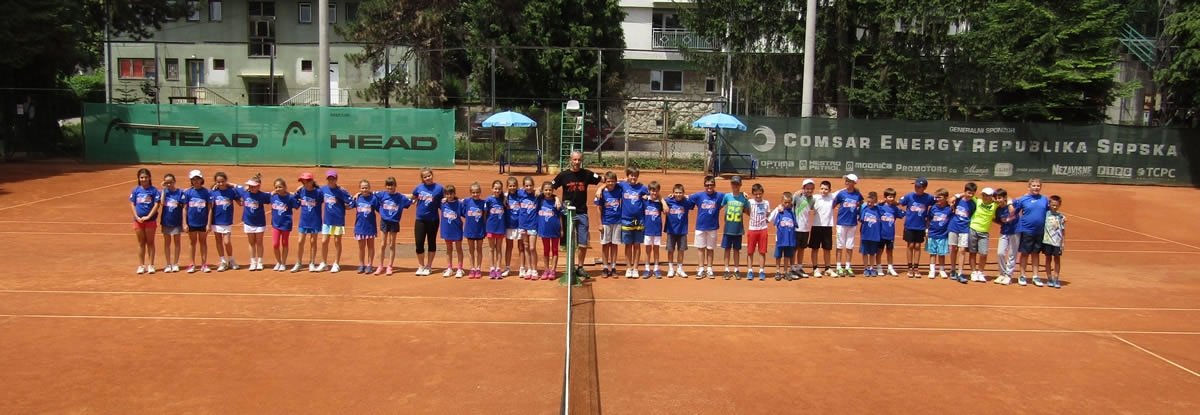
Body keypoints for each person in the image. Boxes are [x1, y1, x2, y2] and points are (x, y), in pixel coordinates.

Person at [552, 151, 602, 278]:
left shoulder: (587, 174)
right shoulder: (563, 175)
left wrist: (601, 188)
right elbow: (549, 187)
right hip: (566, 213)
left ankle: (580, 267)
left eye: (579, 160)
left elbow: (604, 179)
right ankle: (570, 267)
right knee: (568, 242)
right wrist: (556, 198)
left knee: (583, 242)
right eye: (574, 160)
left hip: (582, 212)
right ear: (570, 160)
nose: (577, 162)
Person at [1013, 178, 1050, 287]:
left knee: (1036, 254)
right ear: (1029, 187)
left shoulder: (1045, 199)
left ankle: (1035, 276)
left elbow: (1050, 212)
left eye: (1038, 186)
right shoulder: (1024, 199)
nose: (1036, 188)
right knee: (1025, 253)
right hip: (1026, 230)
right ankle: (1022, 275)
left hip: (1039, 231)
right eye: (1033, 186)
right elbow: (1013, 209)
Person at [375, 177, 413, 276]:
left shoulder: (400, 197)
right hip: (384, 221)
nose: (389, 187)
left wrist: (417, 198)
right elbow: (370, 193)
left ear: (395, 186)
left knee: (392, 244)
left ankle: (390, 266)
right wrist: (358, 194)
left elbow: (412, 200)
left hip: (394, 222)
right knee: (383, 244)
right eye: (388, 185)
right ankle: (380, 265)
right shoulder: (382, 194)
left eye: (391, 185)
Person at [688, 176, 725, 279]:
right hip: (700, 226)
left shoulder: (719, 195)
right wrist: (673, 195)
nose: (709, 187)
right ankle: (701, 269)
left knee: (710, 248)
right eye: (707, 185)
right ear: (704, 186)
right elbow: (687, 197)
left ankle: (709, 269)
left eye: (711, 185)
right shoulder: (699, 195)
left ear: (714, 185)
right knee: (701, 248)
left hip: (712, 226)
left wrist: (743, 194)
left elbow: (730, 197)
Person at [317, 170, 352, 273]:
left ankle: (336, 263)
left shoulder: (341, 191)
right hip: (327, 220)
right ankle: (324, 263)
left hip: (338, 220)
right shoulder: (323, 189)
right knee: (324, 241)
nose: (331, 180)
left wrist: (346, 207)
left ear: (336, 179)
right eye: (329, 178)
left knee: (337, 241)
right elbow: (313, 192)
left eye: (333, 178)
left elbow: (351, 201)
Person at [412, 167, 445, 276]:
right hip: (420, 219)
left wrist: (445, 200)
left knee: (431, 242)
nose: (428, 178)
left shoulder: (439, 188)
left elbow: (447, 199)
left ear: (432, 175)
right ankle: (421, 265)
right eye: (425, 177)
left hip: (433, 220)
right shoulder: (419, 188)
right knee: (419, 243)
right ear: (422, 178)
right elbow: (413, 198)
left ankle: (429, 266)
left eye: (429, 176)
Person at [899, 178, 935, 278]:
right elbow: (898, 203)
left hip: (920, 226)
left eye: (919, 187)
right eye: (915, 186)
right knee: (910, 246)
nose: (916, 188)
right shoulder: (909, 196)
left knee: (918, 246)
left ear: (924, 188)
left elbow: (939, 201)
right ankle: (909, 267)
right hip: (909, 225)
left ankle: (916, 267)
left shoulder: (929, 198)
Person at [618, 167, 649, 279]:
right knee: (628, 245)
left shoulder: (642, 187)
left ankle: (635, 268)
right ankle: (628, 268)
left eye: (635, 176)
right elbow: (608, 181)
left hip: (639, 219)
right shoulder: (623, 185)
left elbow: (654, 194)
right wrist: (599, 189)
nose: (633, 178)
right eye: (631, 175)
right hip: (626, 219)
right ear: (627, 176)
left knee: (636, 245)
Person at [130, 168, 160, 274]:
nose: (144, 179)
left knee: (150, 242)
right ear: (139, 178)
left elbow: (157, 205)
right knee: (141, 243)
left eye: (146, 177)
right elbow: (132, 204)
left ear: (150, 178)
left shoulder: (154, 190)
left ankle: (151, 265)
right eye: (142, 177)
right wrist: (137, 217)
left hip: (150, 220)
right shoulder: (135, 190)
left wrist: (148, 216)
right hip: (138, 221)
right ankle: (141, 265)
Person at [210, 171, 242, 271]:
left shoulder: (231, 191)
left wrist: (236, 188)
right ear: (215, 182)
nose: (221, 183)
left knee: (227, 242)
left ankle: (231, 260)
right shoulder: (212, 192)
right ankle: (223, 261)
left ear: (226, 181)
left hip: (227, 220)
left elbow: (240, 203)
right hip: (215, 220)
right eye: (218, 182)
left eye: (223, 181)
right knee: (218, 241)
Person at [239, 175, 272, 271]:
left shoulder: (262, 195)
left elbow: (274, 194)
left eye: (253, 186)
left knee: (259, 242)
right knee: (251, 243)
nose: (251, 188)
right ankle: (253, 262)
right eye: (250, 186)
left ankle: (260, 262)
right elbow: (234, 186)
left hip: (260, 223)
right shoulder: (244, 192)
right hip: (248, 222)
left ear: (259, 186)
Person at [832, 174, 863, 277]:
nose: (846, 182)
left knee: (850, 246)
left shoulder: (858, 194)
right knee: (840, 245)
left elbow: (861, 203)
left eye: (849, 181)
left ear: (854, 183)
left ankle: (848, 266)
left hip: (852, 223)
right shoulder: (841, 194)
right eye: (846, 180)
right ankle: (838, 267)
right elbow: (833, 205)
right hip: (841, 223)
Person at [182, 170, 212, 273]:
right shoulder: (188, 192)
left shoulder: (206, 192)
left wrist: (208, 223)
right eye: (193, 179)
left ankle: (204, 264)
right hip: (191, 222)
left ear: (201, 179)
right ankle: (192, 264)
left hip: (203, 222)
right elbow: (184, 208)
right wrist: (184, 223)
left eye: (198, 179)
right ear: (191, 180)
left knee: (203, 242)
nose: (196, 181)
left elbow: (210, 208)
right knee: (192, 242)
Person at [947, 182, 978, 283]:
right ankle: (952, 270)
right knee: (953, 249)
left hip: (964, 229)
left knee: (962, 250)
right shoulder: (958, 200)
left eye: (972, 193)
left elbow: (971, 214)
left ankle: (960, 272)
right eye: (969, 193)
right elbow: (950, 202)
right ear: (965, 191)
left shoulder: (973, 204)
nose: (970, 195)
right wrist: (958, 195)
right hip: (953, 227)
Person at [594, 172, 622, 278]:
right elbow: (598, 208)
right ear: (605, 182)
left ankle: (613, 267)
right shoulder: (601, 193)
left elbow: (624, 182)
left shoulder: (619, 189)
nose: (611, 183)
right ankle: (605, 267)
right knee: (605, 245)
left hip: (617, 221)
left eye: (613, 181)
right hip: (606, 222)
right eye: (608, 181)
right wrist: (599, 223)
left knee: (614, 245)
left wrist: (601, 187)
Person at [293, 172, 323, 273]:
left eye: (305, 181)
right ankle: (298, 263)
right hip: (303, 220)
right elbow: (294, 199)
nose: (303, 183)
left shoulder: (318, 192)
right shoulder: (301, 191)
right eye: (302, 182)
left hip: (315, 220)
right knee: (300, 241)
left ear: (311, 181)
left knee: (313, 242)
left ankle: (312, 263)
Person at [967, 187, 998, 283]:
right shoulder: (978, 201)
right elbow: (967, 194)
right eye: (983, 195)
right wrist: (956, 196)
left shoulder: (995, 205)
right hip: (973, 229)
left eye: (987, 195)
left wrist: (1008, 202)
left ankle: (980, 272)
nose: (985, 197)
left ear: (992, 196)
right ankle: (973, 272)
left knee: (983, 253)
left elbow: (1008, 198)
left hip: (984, 232)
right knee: (972, 252)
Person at [720, 175, 748, 280]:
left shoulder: (743, 198)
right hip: (728, 228)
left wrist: (747, 200)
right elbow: (720, 206)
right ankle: (726, 269)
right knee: (727, 249)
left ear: (740, 185)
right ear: (731, 184)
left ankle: (736, 269)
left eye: (737, 184)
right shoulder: (727, 196)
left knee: (736, 250)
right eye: (733, 183)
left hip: (738, 229)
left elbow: (747, 211)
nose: (735, 185)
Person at [664, 184, 694, 278]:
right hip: (671, 230)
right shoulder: (669, 200)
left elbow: (693, 201)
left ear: (683, 193)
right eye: (676, 193)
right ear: (673, 193)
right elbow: (661, 200)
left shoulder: (686, 202)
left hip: (682, 230)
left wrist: (686, 196)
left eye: (680, 193)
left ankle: (680, 269)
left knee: (681, 250)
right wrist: (666, 200)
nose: (678, 194)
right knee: (670, 250)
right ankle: (671, 268)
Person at [269, 177, 300, 272]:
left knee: (285, 243)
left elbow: (297, 206)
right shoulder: (272, 196)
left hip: (286, 224)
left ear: (285, 187)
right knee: (275, 244)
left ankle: (283, 262)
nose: (278, 189)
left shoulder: (290, 197)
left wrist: (294, 195)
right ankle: (278, 262)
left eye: (280, 187)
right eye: (276, 187)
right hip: (275, 224)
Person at [536, 181, 563, 280]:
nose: (548, 192)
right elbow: (535, 191)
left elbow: (560, 216)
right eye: (546, 190)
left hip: (555, 229)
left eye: (550, 190)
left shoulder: (556, 202)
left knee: (555, 250)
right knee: (546, 250)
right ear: (543, 190)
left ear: (553, 190)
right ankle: (546, 270)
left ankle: (553, 270)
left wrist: (562, 229)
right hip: (544, 230)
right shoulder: (540, 200)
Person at [353, 179, 380, 274]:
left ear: (369, 188)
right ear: (360, 189)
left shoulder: (373, 199)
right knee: (361, 247)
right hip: (359, 227)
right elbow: (348, 205)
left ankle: (370, 265)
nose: (364, 190)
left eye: (366, 188)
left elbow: (379, 209)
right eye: (363, 188)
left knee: (371, 246)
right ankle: (361, 264)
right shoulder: (357, 199)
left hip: (370, 227)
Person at [789, 179, 816, 278]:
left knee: (802, 249)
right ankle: (792, 268)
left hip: (805, 228)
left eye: (811, 189)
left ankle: (799, 267)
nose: (809, 190)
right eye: (807, 188)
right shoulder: (797, 196)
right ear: (803, 188)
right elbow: (788, 203)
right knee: (794, 249)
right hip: (796, 228)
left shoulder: (813, 199)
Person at [809, 180, 836, 277]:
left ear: (830, 190)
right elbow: (802, 197)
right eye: (822, 189)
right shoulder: (814, 198)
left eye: (826, 189)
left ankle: (827, 268)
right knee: (815, 248)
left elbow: (845, 190)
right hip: (816, 226)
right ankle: (815, 268)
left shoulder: (832, 197)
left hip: (828, 227)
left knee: (827, 249)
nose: (823, 191)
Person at [769, 192, 797, 281]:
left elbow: (795, 224)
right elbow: (770, 219)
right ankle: (777, 271)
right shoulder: (779, 211)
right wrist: (778, 209)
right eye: (785, 202)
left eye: (789, 202)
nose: (787, 204)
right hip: (780, 239)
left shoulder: (792, 212)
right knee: (778, 255)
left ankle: (785, 271)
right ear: (782, 202)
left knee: (787, 256)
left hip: (789, 239)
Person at [993, 189, 1019, 285]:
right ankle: (1002, 273)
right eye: (996, 198)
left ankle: (1008, 275)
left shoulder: (1013, 204)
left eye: (1000, 198)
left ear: (1004, 198)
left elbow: (1014, 199)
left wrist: (1010, 204)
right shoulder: (998, 210)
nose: (998, 200)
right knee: (1000, 253)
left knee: (1012, 254)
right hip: (1004, 232)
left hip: (1015, 232)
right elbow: (998, 220)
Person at [745, 183, 771, 280]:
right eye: (756, 194)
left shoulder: (766, 203)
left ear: (762, 193)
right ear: (753, 194)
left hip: (763, 229)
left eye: (760, 194)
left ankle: (761, 271)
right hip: (752, 229)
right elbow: (747, 212)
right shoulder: (750, 202)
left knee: (762, 251)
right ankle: (750, 270)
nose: (758, 196)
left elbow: (768, 213)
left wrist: (765, 220)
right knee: (750, 251)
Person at [160, 173, 184, 273]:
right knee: (167, 243)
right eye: (167, 183)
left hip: (177, 221)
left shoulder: (180, 192)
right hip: (166, 221)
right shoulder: (164, 192)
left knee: (177, 242)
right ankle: (168, 264)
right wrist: (163, 190)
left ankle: (175, 263)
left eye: (170, 182)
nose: (169, 184)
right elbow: (162, 203)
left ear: (174, 181)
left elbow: (182, 205)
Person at [463, 182, 488, 279]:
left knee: (479, 249)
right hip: (469, 229)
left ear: (480, 192)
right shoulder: (467, 201)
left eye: (477, 192)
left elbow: (485, 216)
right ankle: (472, 268)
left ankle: (478, 268)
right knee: (471, 250)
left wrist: (485, 227)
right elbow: (456, 201)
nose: (475, 194)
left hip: (480, 229)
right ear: (470, 192)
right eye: (473, 192)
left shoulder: (483, 203)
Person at [926, 189, 952, 279]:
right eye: (936, 197)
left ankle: (942, 270)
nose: (937, 199)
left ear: (945, 198)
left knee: (941, 254)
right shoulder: (933, 208)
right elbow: (929, 219)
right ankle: (932, 270)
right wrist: (927, 230)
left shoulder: (949, 208)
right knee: (932, 253)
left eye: (939, 197)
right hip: (932, 233)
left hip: (943, 235)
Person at [440, 185, 465, 278]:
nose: (449, 196)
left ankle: (459, 268)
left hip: (457, 229)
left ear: (454, 194)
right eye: (447, 194)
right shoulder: (442, 203)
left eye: (451, 194)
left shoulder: (459, 203)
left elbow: (465, 213)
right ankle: (449, 268)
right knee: (449, 249)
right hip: (447, 230)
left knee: (459, 248)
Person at [484, 180, 508, 279]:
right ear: (492, 189)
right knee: (491, 249)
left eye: (499, 189)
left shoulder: (504, 200)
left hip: (500, 227)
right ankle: (492, 268)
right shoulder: (488, 200)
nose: (497, 190)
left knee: (499, 248)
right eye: (495, 188)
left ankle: (498, 268)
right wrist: (486, 225)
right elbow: (485, 215)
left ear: (501, 189)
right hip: (491, 227)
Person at [642, 181, 665, 279]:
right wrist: (645, 196)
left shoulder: (660, 202)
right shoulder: (645, 201)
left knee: (656, 249)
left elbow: (666, 210)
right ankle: (647, 268)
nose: (654, 193)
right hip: (647, 229)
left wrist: (663, 201)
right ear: (649, 191)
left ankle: (656, 268)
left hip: (657, 229)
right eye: (652, 191)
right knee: (647, 250)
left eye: (656, 191)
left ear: (658, 191)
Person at [1041, 195, 1066, 289]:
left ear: (1059, 205)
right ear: (1049, 205)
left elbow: (1063, 230)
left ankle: (1056, 278)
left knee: (1057, 260)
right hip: (1047, 241)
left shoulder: (1061, 217)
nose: (1054, 207)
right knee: (1048, 259)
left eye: (1056, 205)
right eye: (1053, 205)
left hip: (1057, 242)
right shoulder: (1046, 214)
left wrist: (1063, 242)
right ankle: (1049, 278)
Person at [518, 176, 540, 278]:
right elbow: (508, 193)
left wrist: (557, 199)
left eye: (530, 185)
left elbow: (550, 193)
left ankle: (534, 269)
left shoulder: (537, 195)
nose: (528, 187)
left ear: (533, 185)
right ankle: (529, 269)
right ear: (523, 186)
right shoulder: (520, 194)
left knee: (532, 247)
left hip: (533, 225)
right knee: (526, 247)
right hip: (522, 225)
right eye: (526, 185)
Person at [858, 192, 881, 277]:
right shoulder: (865, 209)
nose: (870, 204)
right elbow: (861, 220)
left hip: (875, 235)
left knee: (872, 253)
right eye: (868, 202)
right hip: (865, 234)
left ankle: (871, 267)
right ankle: (865, 268)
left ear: (875, 202)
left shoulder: (878, 209)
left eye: (872, 202)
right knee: (865, 252)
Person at [503, 177, 523, 277]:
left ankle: (522, 268)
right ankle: (507, 268)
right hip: (509, 225)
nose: (512, 187)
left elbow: (533, 190)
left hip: (520, 225)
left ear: (517, 186)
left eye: (514, 185)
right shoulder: (504, 197)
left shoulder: (520, 195)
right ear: (507, 187)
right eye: (510, 186)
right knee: (509, 247)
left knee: (521, 247)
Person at [879, 188, 900, 276]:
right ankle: (879, 267)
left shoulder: (895, 209)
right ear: (885, 197)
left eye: (893, 197)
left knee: (890, 252)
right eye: (889, 197)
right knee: (879, 251)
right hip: (881, 234)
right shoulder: (880, 207)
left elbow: (903, 214)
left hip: (890, 234)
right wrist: (879, 202)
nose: (891, 199)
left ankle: (890, 268)